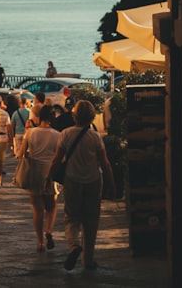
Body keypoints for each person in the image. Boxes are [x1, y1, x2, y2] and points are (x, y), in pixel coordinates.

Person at [47, 99, 115, 271]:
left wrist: (48, 177)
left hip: (72, 180)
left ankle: (74, 245)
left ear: (75, 115)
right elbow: (105, 163)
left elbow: (57, 159)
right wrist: (111, 182)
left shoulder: (66, 134)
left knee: (71, 217)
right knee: (91, 221)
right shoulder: (95, 136)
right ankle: (88, 260)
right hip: (93, 181)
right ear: (91, 116)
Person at [17, 104, 61, 252]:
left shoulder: (30, 133)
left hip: (34, 172)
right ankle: (48, 231)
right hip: (50, 171)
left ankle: (40, 242)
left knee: (37, 209)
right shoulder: (57, 134)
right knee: (51, 206)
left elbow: (20, 154)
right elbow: (60, 156)